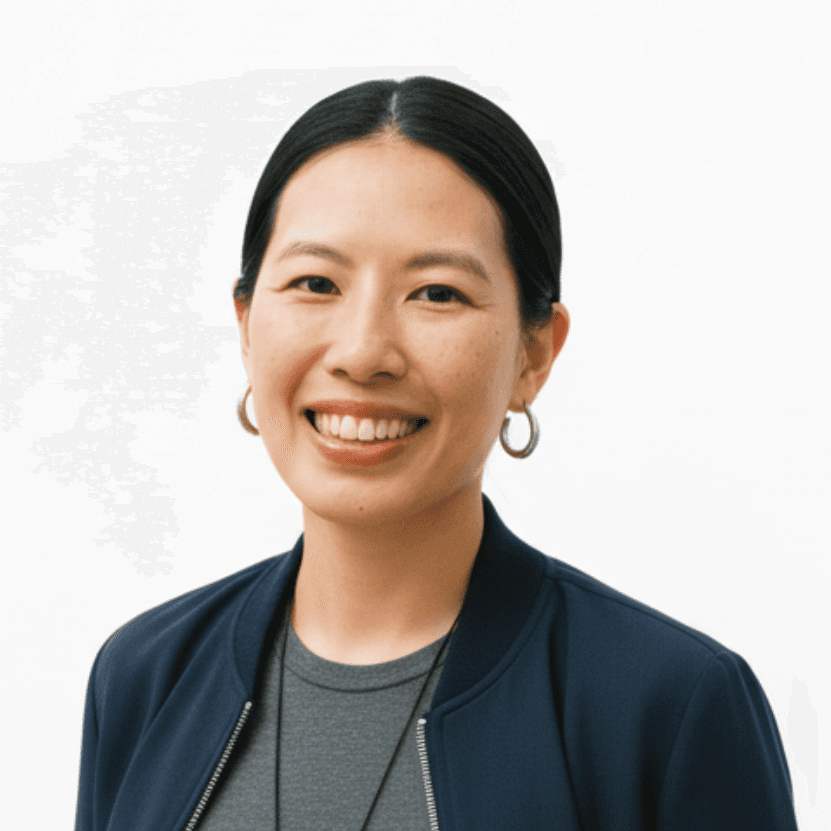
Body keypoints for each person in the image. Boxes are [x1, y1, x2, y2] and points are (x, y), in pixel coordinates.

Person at [73, 76, 799, 831]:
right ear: (247, 323)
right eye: (315, 282)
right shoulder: (144, 676)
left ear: (534, 354)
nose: (362, 353)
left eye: (437, 293)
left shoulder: (667, 705)